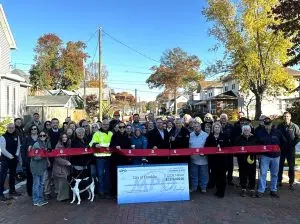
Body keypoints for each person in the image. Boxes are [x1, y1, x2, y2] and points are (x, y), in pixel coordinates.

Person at [255, 117, 286, 198]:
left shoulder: (277, 132)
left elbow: (283, 142)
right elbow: (257, 143)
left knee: (275, 174)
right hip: (264, 156)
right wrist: (258, 153)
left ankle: (273, 190)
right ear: (264, 124)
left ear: (271, 123)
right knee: (263, 173)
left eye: (269, 124)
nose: (267, 126)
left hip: (276, 156)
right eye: (266, 124)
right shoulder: (260, 132)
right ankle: (261, 190)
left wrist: (280, 149)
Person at [205, 122, 230, 198]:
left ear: (220, 129)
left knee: (222, 177)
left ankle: (221, 192)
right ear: (213, 129)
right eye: (215, 127)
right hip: (213, 160)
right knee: (215, 176)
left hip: (222, 160)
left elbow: (228, 146)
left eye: (218, 127)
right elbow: (206, 147)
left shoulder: (224, 136)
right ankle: (217, 190)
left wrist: (221, 146)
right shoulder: (210, 137)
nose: (217, 129)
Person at [90, 119, 113, 199]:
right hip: (99, 158)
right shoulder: (97, 133)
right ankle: (101, 192)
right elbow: (91, 143)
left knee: (107, 175)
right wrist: (95, 144)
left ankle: (107, 192)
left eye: (107, 124)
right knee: (100, 175)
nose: (106, 125)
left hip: (109, 158)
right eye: (104, 124)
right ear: (101, 125)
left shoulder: (111, 133)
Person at [277, 112, 300, 190]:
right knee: (279, 166)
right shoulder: (279, 126)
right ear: (283, 117)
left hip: (290, 150)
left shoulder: (295, 126)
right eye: (284, 116)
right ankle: (279, 181)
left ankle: (291, 183)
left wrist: (292, 144)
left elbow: (298, 137)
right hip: (281, 150)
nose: (286, 117)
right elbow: (277, 136)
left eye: (287, 116)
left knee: (291, 167)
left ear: (290, 117)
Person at [234, 125, 258, 197]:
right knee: (242, 174)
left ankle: (252, 189)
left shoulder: (254, 138)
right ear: (242, 131)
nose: (246, 131)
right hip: (242, 159)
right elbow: (235, 149)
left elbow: (258, 148)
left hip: (251, 158)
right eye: (245, 130)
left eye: (248, 130)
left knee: (252, 174)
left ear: (250, 131)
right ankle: (243, 188)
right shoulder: (238, 138)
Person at [0, 123, 21, 201]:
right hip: (5, 159)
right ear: (7, 128)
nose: (11, 129)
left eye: (12, 127)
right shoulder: (3, 137)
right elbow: (3, 149)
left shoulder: (17, 136)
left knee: (12, 175)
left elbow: (19, 146)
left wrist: (16, 154)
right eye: (9, 127)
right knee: (3, 176)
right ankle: (1, 194)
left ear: (14, 128)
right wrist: (10, 156)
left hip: (14, 158)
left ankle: (12, 191)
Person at [110, 122, 132, 197]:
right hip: (116, 159)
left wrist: (131, 148)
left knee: (125, 177)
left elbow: (129, 146)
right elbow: (111, 146)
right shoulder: (114, 136)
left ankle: (124, 191)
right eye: (120, 127)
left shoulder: (128, 136)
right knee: (116, 176)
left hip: (125, 159)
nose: (122, 128)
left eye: (123, 127)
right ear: (117, 128)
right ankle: (115, 193)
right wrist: (115, 146)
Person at [30, 131, 51, 206]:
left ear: (46, 136)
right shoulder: (36, 144)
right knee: (36, 184)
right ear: (38, 136)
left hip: (42, 166)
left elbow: (46, 154)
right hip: (36, 167)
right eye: (41, 136)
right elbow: (34, 156)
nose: (42, 137)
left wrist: (47, 160)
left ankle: (40, 199)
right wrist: (42, 155)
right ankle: (36, 200)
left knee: (41, 184)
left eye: (44, 135)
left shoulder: (45, 143)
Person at [189, 122, 209, 193]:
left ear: (200, 127)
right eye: (195, 126)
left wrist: (205, 153)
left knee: (203, 174)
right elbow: (189, 145)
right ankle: (194, 187)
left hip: (203, 158)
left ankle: (203, 187)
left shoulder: (206, 135)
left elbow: (208, 146)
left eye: (197, 126)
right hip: (193, 158)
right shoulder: (190, 135)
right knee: (193, 174)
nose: (196, 128)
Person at [45, 118, 61, 200]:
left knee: (57, 175)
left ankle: (57, 191)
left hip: (58, 156)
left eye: (56, 123)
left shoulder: (61, 132)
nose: (55, 124)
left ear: (58, 124)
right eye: (53, 123)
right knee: (48, 175)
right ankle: (47, 192)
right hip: (50, 156)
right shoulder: (48, 133)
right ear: (51, 124)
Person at [53, 133, 72, 202]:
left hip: (66, 167)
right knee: (62, 182)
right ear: (61, 138)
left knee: (65, 182)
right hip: (60, 167)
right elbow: (57, 158)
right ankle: (61, 198)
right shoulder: (58, 146)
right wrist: (66, 162)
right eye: (63, 137)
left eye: (66, 137)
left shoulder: (68, 144)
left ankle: (65, 197)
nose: (64, 138)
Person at [21, 125, 39, 196]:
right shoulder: (26, 139)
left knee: (39, 177)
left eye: (35, 129)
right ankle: (30, 192)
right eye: (32, 129)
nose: (34, 130)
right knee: (30, 177)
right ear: (30, 130)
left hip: (39, 161)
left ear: (37, 130)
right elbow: (22, 150)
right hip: (29, 161)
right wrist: (25, 161)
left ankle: (39, 191)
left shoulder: (41, 137)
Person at [219, 113, 234, 185]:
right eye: (222, 118)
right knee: (222, 164)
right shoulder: (218, 126)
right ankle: (222, 179)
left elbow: (234, 137)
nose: (223, 119)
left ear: (227, 119)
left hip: (229, 148)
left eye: (224, 118)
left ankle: (230, 180)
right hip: (220, 148)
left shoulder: (231, 126)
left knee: (230, 165)